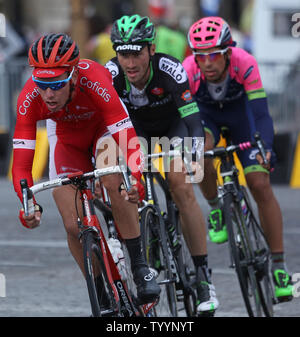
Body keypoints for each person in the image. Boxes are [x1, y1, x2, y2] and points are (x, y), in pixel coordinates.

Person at [12, 33, 161, 308]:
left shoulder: (94, 78)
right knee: (72, 222)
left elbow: (127, 138)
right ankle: (100, 293)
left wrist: (135, 178)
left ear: (73, 76)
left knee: (113, 176)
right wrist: (27, 203)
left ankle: (140, 268)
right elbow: (22, 162)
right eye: (42, 84)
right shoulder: (30, 97)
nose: (48, 94)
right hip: (68, 139)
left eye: (56, 85)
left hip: (103, 131)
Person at [106, 14, 219, 316]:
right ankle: (145, 236)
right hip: (135, 134)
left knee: (181, 186)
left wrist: (194, 154)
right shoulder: (111, 74)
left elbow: (194, 122)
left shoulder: (170, 70)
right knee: (127, 184)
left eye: (137, 53)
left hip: (173, 129)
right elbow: (105, 129)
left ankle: (204, 276)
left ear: (151, 50)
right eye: (123, 53)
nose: (130, 63)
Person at [183, 16, 294, 302]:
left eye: (213, 55)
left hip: (242, 118)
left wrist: (264, 148)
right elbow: (188, 120)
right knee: (200, 150)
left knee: (259, 183)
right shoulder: (189, 70)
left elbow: (260, 114)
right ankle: (216, 208)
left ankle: (280, 266)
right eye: (201, 55)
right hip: (207, 116)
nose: (207, 62)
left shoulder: (245, 62)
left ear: (228, 52)